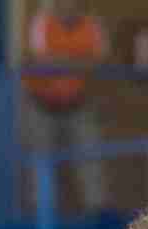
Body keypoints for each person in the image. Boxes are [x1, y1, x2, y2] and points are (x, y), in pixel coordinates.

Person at [21, 0, 108, 212]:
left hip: (78, 103)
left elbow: (99, 62)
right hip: (41, 104)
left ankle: (97, 215)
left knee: (90, 158)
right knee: (41, 163)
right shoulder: (42, 22)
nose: (69, 5)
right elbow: (42, 61)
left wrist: (63, 61)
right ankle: (42, 215)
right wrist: (78, 62)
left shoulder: (92, 25)